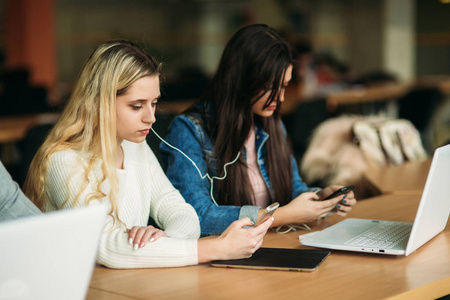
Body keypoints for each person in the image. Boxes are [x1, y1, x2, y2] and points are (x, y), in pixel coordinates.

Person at [23, 40, 272, 269]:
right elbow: (106, 247)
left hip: (128, 283)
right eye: (136, 106)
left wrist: (162, 240)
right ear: (99, 102)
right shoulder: (63, 159)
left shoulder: (135, 146)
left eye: (153, 103)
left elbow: (181, 213)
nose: (151, 118)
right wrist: (216, 248)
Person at [159, 24, 357, 236]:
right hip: (225, 257)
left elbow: (293, 190)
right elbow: (195, 217)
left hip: (272, 245)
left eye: (284, 86)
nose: (280, 98)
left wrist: (321, 198)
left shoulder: (271, 123)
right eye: (272, 87)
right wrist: (281, 217)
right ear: (241, 80)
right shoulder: (189, 130)